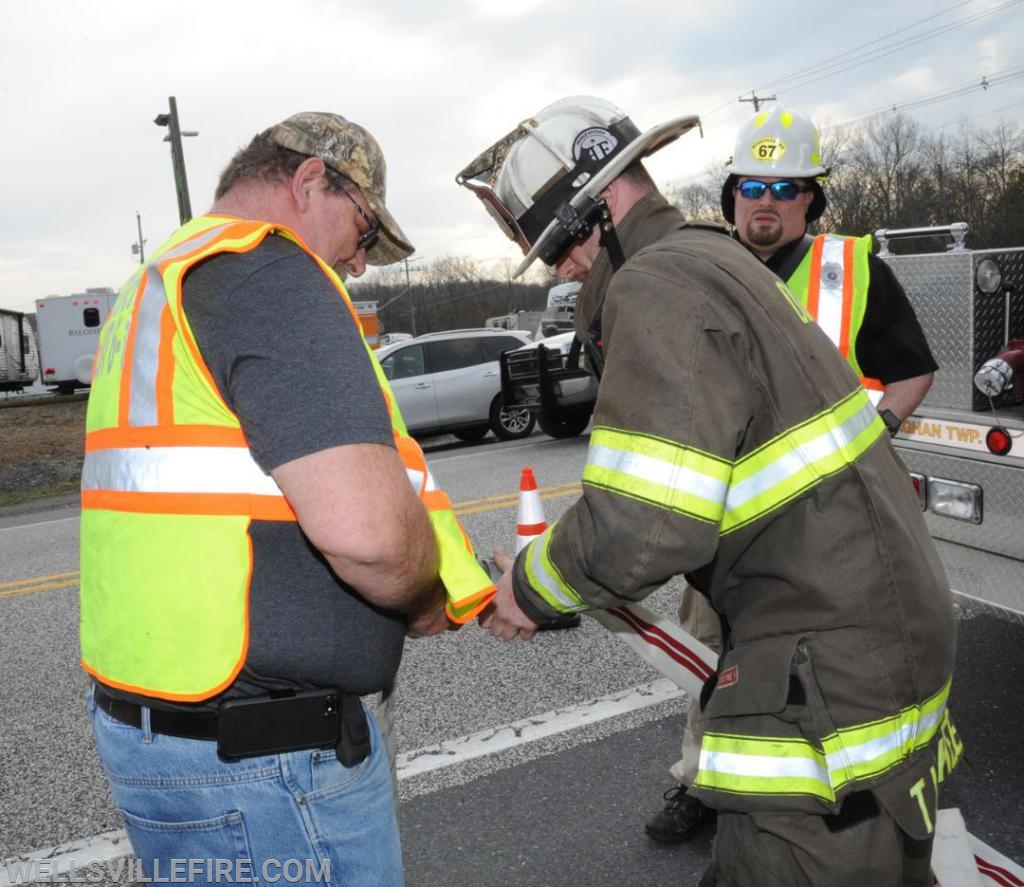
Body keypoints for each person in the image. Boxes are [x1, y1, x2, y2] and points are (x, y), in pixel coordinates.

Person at [458, 96, 960, 886]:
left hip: (826, 670)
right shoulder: (712, 256)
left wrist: (527, 590)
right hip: (873, 636)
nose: (565, 272)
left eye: (562, 251)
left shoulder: (658, 287)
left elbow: (646, 522)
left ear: (599, 212)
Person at [80, 112, 495, 886]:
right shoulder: (267, 271)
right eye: (365, 228)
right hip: (266, 765)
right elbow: (367, 532)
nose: (361, 264)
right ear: (310, 182)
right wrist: (425, 596)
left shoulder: (156, 285)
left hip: (163, 738)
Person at [647, 105, 941, 846]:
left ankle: (842, 793)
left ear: (812, 197)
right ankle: (702, 781)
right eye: (751, 187)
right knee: (717, 658)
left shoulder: (853, 267)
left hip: (833, 530)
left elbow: (913, 372)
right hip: (730, 524)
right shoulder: (708, 271)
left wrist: (875, 440)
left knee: (835, 665)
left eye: (784, 189)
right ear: (731, 198)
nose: (765, 203)